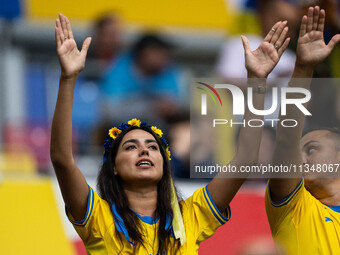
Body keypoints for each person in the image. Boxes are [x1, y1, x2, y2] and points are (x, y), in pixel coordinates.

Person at [51, 13, 289, 254]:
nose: (144, 149)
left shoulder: (191, 217)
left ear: (165, 163)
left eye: (153, 147)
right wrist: (68, 78)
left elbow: (246, 158)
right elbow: (62, 160)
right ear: (113, 166)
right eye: (131, 146)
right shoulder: (98, 218)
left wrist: (258, 81)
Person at [265, 6, 340, 254]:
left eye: (311, 148)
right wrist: (304, 67)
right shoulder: (294, 205)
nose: (299, 158)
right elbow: (287, 137)